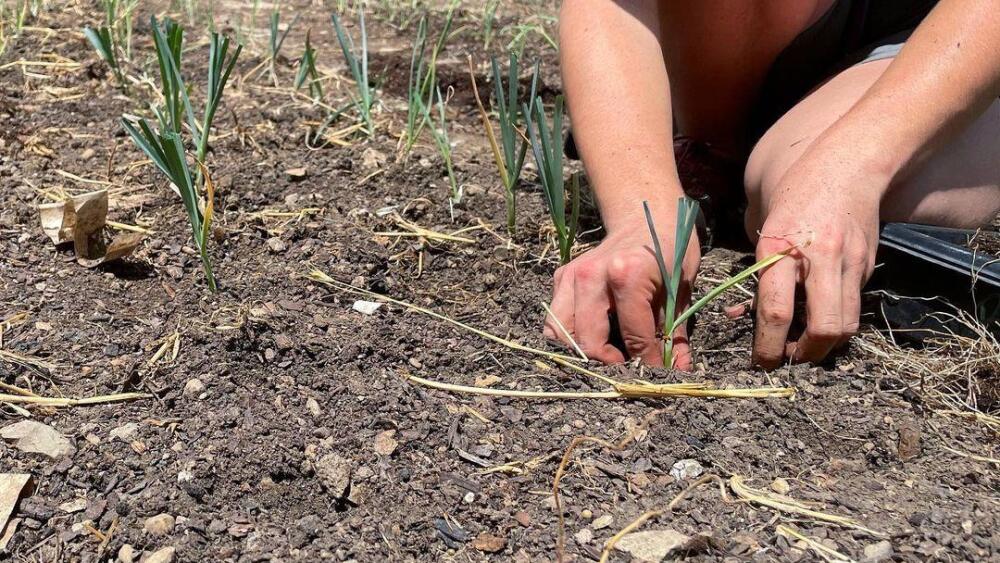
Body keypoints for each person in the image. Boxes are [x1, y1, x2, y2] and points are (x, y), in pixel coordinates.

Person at [545, 0, 1000, 370]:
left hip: (937, 39)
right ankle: (717, 148)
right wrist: (641, 213)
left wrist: (849, 169)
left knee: (798, 201)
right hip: (749, 70)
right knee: (781, 195)